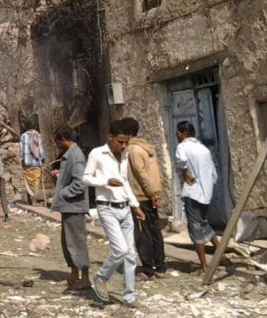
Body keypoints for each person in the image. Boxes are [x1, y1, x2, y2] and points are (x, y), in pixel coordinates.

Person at [83, 119, 145, 306]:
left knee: (130, 254)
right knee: (120, 250)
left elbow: (124, 181)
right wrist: (105, 181)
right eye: (120, 141)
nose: (123, 146)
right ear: (110, 137)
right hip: (106, 207)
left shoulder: (124, 156)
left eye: (126, 142)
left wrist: (135, 205)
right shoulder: (97, 153)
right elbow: (85, 178)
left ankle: (129, 296)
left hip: (125, 207)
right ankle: (101, 278)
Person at [175, 121, 220, 273]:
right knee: (203, 223)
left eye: (178, 133)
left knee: (195, 228)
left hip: (193, 193)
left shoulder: (182, 146)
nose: (177, 135)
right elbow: (214, 174)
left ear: (183, 134)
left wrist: (185, 172)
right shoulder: (204, 149)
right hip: (206, 194)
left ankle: (204, 266)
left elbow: (181, 161)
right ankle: (222, 256)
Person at [124, 117, 167, 280]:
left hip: (141, 196)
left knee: (142, 233)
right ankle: (160, 266)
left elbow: (141, 175)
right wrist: (155, 194)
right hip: (151, 195)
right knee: (155, 231)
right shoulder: (146, 147)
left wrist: (151, 193)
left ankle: (148, 269)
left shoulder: (133, 150)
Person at [49, 128, 89, 291]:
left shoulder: (76, 156)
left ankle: (85, 278)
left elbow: (80, 182)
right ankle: (73, 275)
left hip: (75, 207)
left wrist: (64, 192)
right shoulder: (69, 155)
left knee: (77, 243)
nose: (57, 145)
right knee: (68, 243)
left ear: (63, 139)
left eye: (57, 142)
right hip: (68, 206)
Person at [19, 123, 45, 204]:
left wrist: (22, 159)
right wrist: (43, 159)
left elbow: (21, 151)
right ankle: (34, 200)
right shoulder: (38, 136)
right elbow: (41, 150)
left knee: (28, 182)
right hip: (37, 162)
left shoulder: (23, 136)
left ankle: (30, 199)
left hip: (27, 163)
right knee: (36, 182)